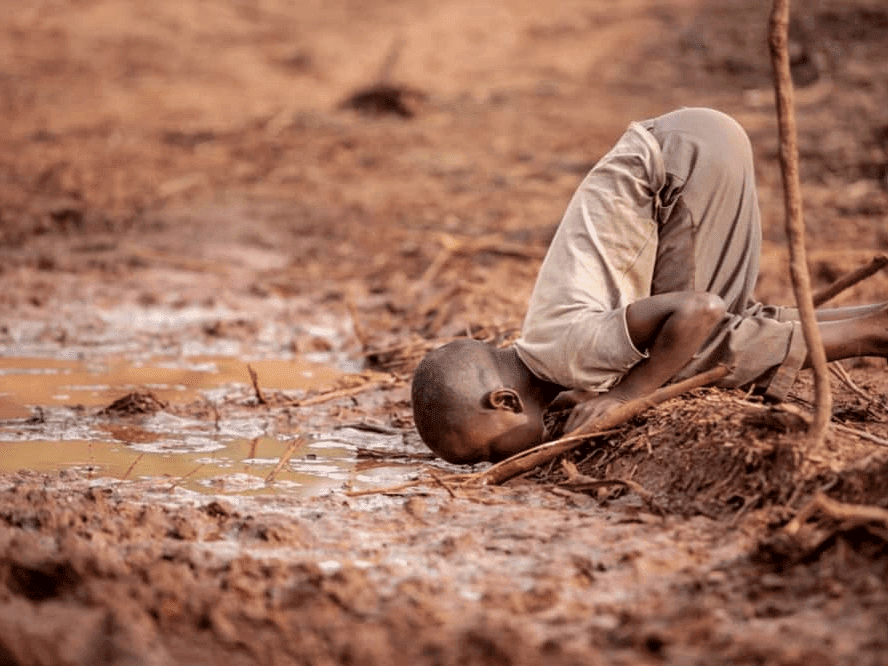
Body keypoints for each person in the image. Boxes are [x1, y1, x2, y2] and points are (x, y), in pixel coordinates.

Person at [411, 107, 888, 465]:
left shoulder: (566, 351)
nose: (497, 463)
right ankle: (875, 318)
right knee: (707, 337)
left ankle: (874, 330)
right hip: (689, 144)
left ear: (506, 401)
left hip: (679, 166)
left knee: (688, 357)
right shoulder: (553, 351)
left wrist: (627, 396)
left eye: (488, 452)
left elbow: (700, 309)